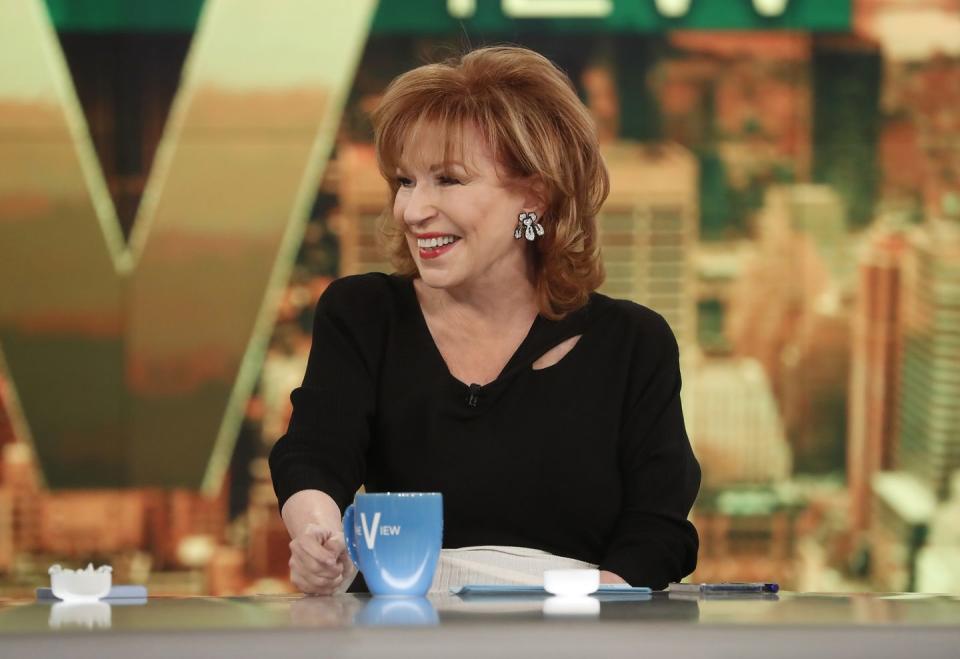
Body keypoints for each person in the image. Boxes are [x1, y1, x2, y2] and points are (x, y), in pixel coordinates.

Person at [269, 45, 701, 596]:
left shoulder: (634, 345)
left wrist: (581, 621)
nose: (412, 210)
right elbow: (313, 455)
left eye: (447, 180)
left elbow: (658, 530)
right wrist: (316, 538)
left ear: (535, 197)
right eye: (405, 181)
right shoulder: (363, 315)